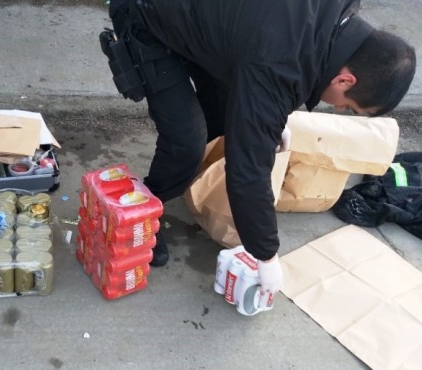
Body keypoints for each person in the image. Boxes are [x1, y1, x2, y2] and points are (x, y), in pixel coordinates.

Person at [100, 0, 416, 301]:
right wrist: (265, 255)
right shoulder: (278, 62)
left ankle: (188, 180)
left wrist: (270, 118)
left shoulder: (336, 15)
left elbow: (266, 61)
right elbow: (248, 171)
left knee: (224, 115)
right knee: (187, 141)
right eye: (347, 105)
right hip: (147, 15)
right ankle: (141, 214)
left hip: (207, 22)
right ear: (345, 79)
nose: (339, 108)